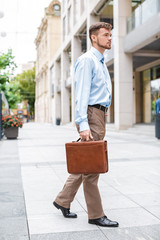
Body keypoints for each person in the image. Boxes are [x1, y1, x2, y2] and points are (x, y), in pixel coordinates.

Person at [53, 22, 119, 227]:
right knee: (92, 169)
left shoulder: (100, 62)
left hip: (98, 115)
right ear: (93, 38)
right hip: (91, 115)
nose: (110, 38)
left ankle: (62, 201)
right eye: (105, 35)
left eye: (110, 35)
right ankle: (95, 215)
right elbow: (81, 95)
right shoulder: (87, 61)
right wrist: (83, 124)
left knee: (87, 162)